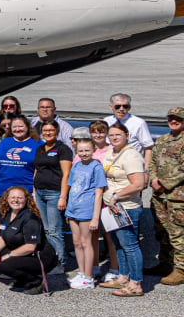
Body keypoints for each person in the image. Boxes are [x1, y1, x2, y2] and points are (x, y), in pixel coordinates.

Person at [0, 186, 56, 295]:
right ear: (7, 199)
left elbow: (30, 247)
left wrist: (8, 256)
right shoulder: (8, 214)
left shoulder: (30, 218)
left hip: (40, 257)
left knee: (4, 264)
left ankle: (35, 281)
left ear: (26, 200)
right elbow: (3, 236)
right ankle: (22, 279)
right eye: (13, 197)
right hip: (23, 252)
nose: (16, 200)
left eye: (20, 198)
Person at [99, 123, 147, 297]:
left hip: (126, 208)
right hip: (112, 207)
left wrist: (117, 196)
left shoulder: (131, 155)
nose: (114, 138)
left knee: (130, 245)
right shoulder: (111, 153)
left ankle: (135, 284)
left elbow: (139, 184)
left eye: (118, 134)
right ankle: (123, 277)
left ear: (127, 135)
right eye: (111, 135)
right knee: (119, 244)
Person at [149, 107, 184, 286]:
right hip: (159, 196)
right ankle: (166, 263)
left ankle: (181, 269)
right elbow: (152, 162)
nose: (174, 121)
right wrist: (153, 179)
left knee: (178, 232)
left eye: (178, 118)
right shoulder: (162, 140)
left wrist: (163, 182)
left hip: (177, 196)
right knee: (161, 230)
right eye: (171, 118)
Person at [31, 121, 73, 269]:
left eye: (51, 130)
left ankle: (60, 263)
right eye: (45, 130)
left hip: (54, 194)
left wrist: (63, 196)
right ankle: (50, 260)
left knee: (54, 230)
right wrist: (34, 192)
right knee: (46, 229)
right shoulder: (40, 148)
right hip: (40, 193)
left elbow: (67, 174)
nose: (47, 133)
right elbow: (37, 170)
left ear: (57, 131)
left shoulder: (63, 149)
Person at [65, 138, 105, 289]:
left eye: (87, 150)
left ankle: (88, 277)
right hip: (73, 209)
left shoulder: (96, 167)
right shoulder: (76, 166)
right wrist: (68, 210)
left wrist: (95, 217)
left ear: (94, 150)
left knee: (86, 242)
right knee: (76, 242)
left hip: (87, 209)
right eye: (80, 151)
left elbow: (99, 192)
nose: (84, 153)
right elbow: (71, 187)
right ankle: (81, 272)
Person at [0, 116, 37, 196]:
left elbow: (38, 171)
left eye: (20, 126)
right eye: (14, 127)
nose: (17, 129)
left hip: (24, 192)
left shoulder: (37, 144)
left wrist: (34, 192)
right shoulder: (4, 142)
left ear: (28, 127)